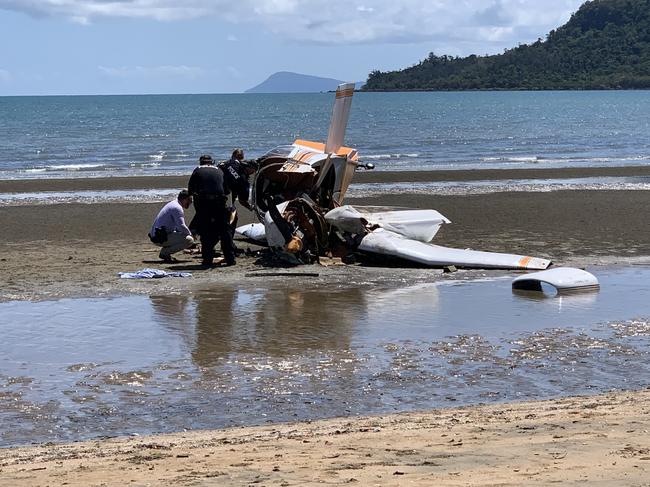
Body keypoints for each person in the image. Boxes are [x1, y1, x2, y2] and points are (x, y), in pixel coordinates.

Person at [188, 154, 236, 267]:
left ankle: (207, 259)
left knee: (206, 232)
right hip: (220, 203)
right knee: (225, 232)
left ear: (201, 162)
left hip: (205, 204)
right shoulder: (219, 170)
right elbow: (227, 190)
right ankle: (230, 259)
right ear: (212, 162)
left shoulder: (197, 171)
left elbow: (191, 189)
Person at [149, 189, 194, 263]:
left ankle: (165, 251)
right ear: (185, 199)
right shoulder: (177, 208)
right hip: (159, 237)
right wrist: (190, 234)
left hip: (158, 235)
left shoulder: (173, 204)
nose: (190, 203)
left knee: (183, 235)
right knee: (189, 240)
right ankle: (165, 253)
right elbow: (181, 226)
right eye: (190, 200)